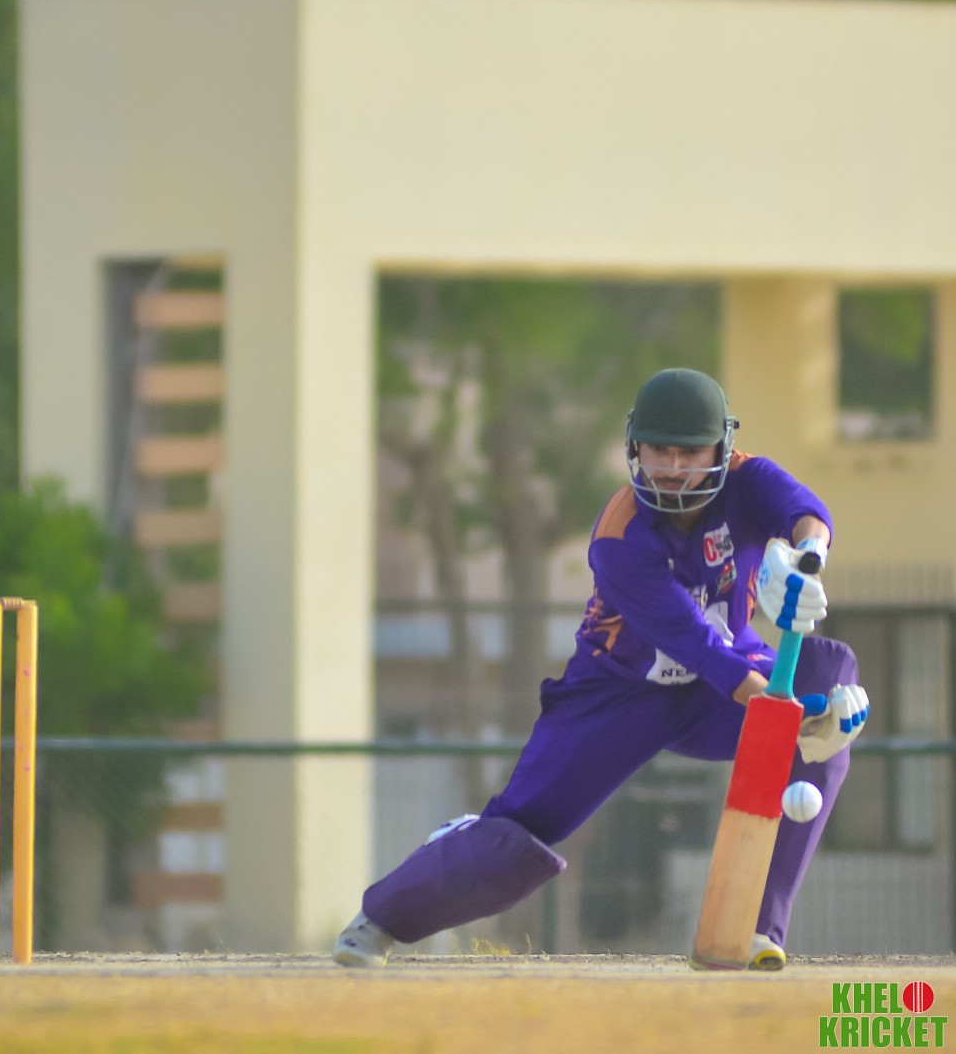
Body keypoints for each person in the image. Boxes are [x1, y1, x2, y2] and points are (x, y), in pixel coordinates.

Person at [334, 367, 870, 970]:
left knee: (831, 683)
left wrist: (807, 558)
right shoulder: (619, 538)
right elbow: (699, 648)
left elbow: (807, 511)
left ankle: (755, 928)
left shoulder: (750, 479)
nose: (672, 468)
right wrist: (790, 717)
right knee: (517, 838)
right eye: (659, 450)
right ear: (635, 448)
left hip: (715, 685)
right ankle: (382, 916)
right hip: (617, 693)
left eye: (690, 452)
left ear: (721, 448)